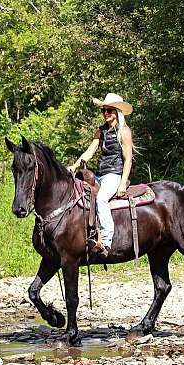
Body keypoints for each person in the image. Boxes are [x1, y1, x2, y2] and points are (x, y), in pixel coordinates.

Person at [68, 93, 134, 257]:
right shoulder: (101, 131)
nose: (106, 113)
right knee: (79, 195)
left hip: (114, 175)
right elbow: (89, 151)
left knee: (101, 199)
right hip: (99, 175)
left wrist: (122, 183)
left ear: (117, 111)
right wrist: (74, 166)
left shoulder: (124, 131)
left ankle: (106, 241)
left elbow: (128, 160)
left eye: (109, 110)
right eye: (104, 110)